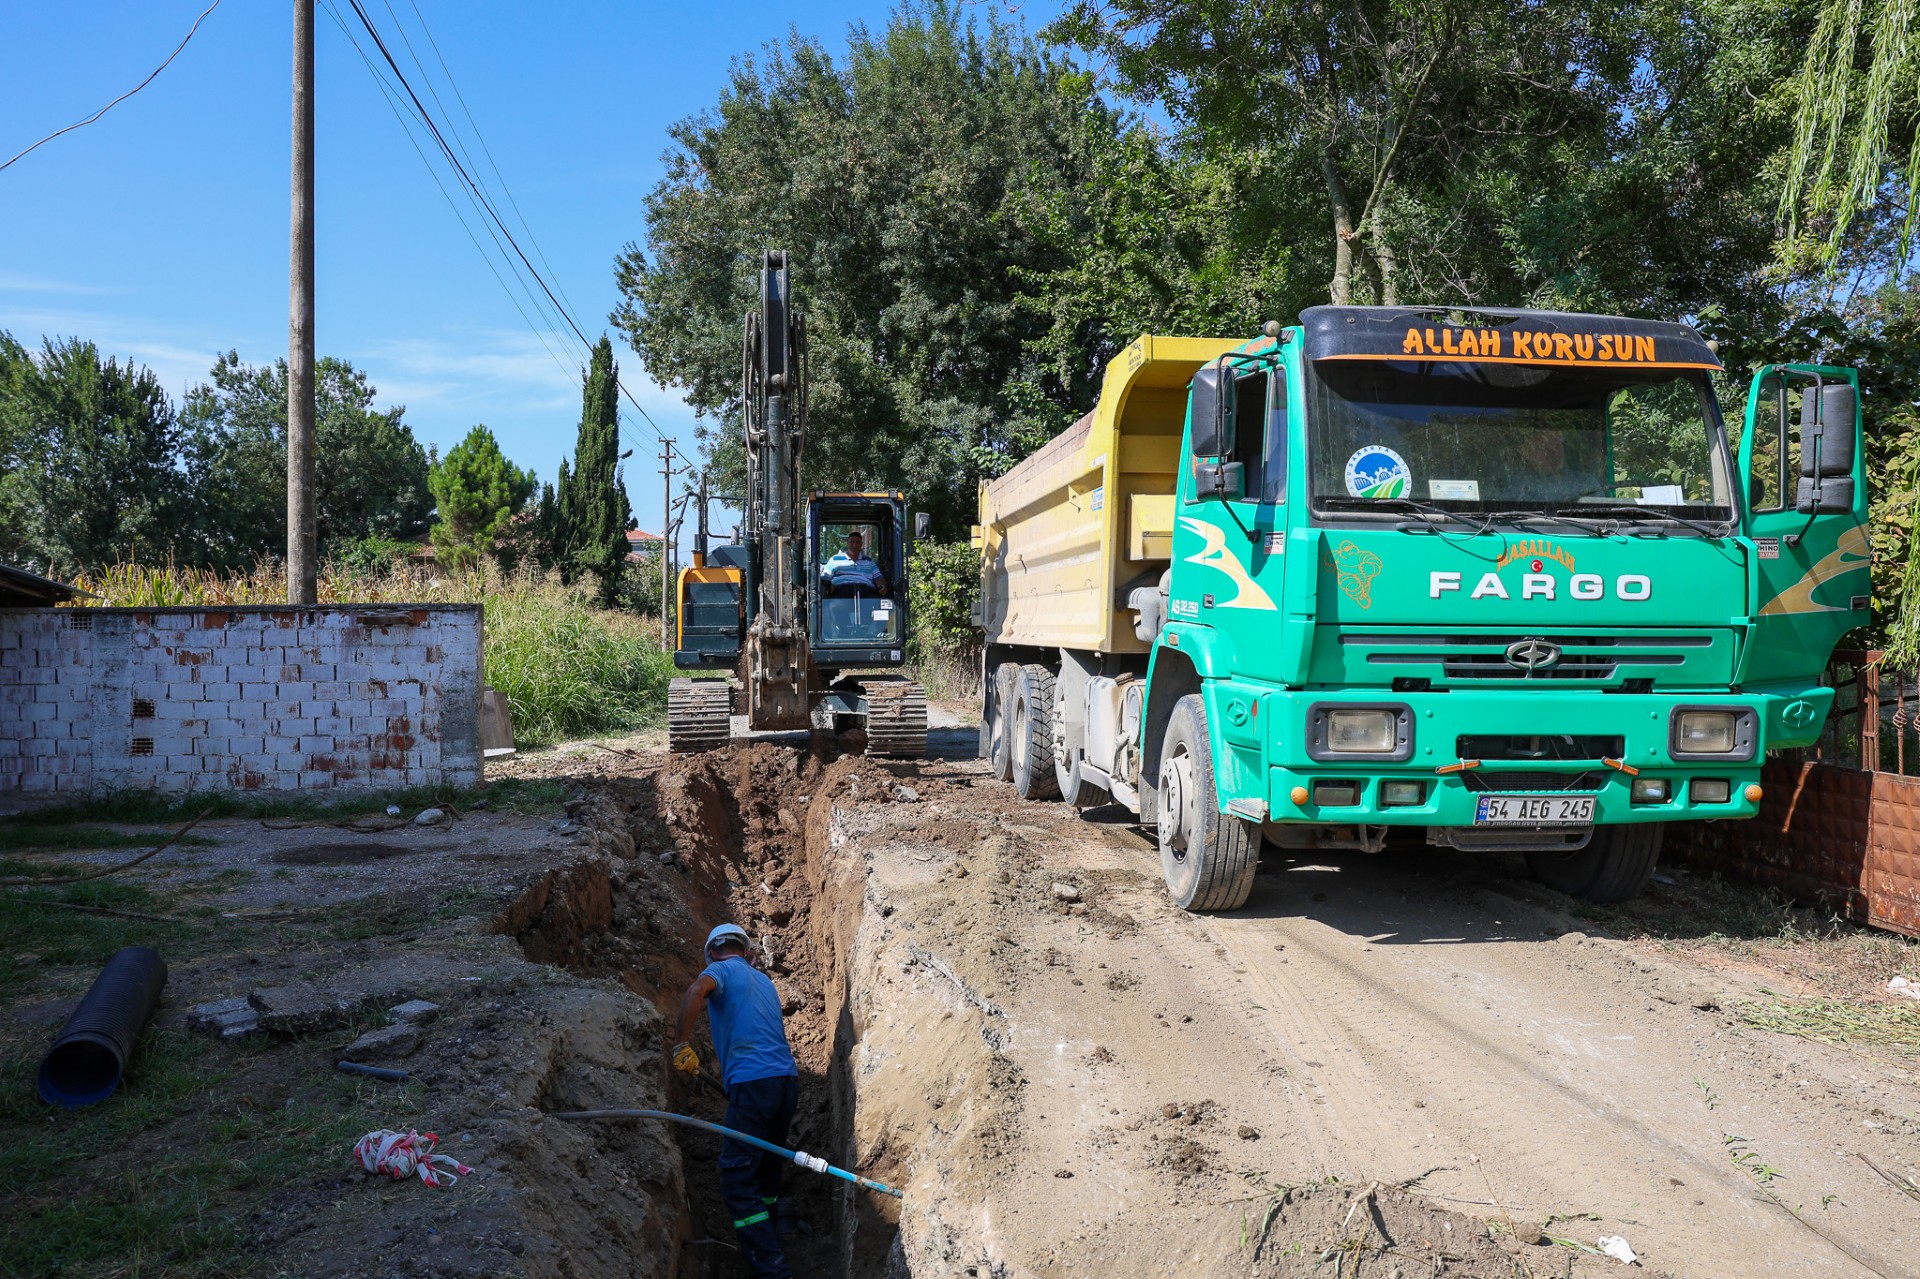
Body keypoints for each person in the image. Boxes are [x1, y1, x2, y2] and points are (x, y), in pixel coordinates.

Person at [672, 923, 801, 1278]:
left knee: (736, 1180)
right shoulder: (764, 981)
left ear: (712, 951)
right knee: (767, 1165)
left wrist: (681, 1044)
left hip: (753, 1082)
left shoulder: (719, 969)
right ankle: (776, 1223)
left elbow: (698, 989)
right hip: (786, 1082)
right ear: (748, 952)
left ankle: (771, 1269)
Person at [819, 530, 888, 597]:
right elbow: (825, 578)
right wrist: (829, 586)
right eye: (852, 542)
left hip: (866, 592)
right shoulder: (835, 559)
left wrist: (882, 587)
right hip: (840, 591)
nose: (854, 545)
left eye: (858, 542)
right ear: (847, 543)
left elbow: (878, 578)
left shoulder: (869, 561)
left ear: (861, 544)